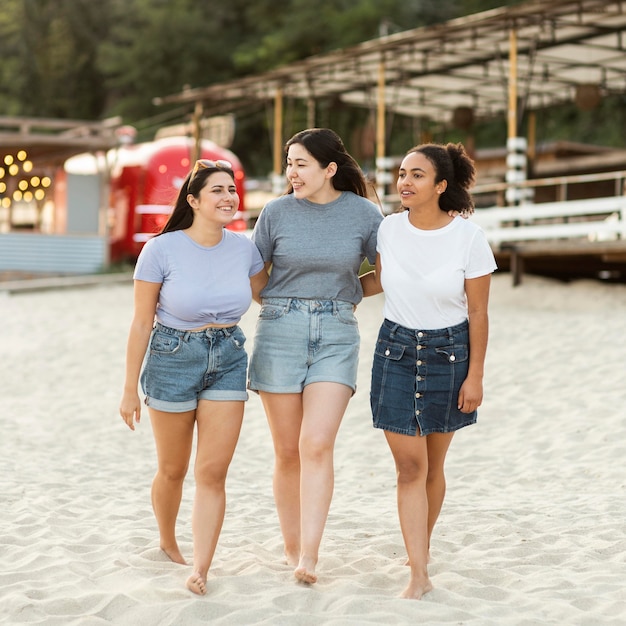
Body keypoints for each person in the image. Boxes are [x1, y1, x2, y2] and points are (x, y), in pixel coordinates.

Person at [119, 158, 268, 595]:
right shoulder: (160, 249)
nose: (228, 197)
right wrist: (129, 388)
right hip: (171, 356)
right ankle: (168, 541)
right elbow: (140, 322)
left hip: (228, 356)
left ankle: (201, 565)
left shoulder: (244, 248)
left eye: (231, 190)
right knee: (172, 468)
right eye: (217, 190)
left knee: (213, 471)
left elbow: (271, 295)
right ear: (194, 200)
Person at [248, 128, 384, 584]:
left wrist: (344, 296)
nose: (292, 173)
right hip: (279, 330)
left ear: (329, 169)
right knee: (288, 451)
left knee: (317, 444)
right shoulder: (275, 212)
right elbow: (254, 275)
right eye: (289, 163)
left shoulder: (365, 214)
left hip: (337, 332)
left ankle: (310, 555)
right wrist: (284, 305)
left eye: (301, 163)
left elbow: (385, 272)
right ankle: (291, 549)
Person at [364, 142, 496, 600]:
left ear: (441, 185)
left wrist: (475, 375)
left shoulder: (469, 238)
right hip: (396, 352)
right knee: (409, 467)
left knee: (433, 466)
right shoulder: (388, 230)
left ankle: (420, 545)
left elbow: (478, 313)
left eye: (416, 175)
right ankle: (418, 572)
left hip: (450, 355)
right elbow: (377, 281)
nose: (404, 181)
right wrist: (317, 290)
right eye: (402, 173)